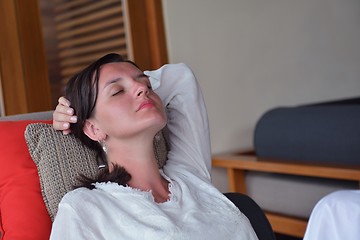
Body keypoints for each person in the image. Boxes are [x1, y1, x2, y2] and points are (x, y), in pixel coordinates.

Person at [50, 53, 259, 239]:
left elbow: (181, 77)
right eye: (117, 91)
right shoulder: (85, 207)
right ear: (93, 129)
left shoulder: (190, 175)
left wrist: (128, 89)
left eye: (148, 85)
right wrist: (76, 108)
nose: (142, 88)